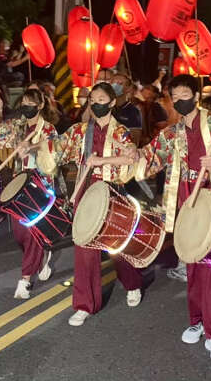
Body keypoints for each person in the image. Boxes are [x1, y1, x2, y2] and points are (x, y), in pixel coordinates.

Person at [131, 74, 211, 360]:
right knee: (193, 268)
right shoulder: (172, 133)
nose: (180, 100)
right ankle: (196, 321)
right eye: (176, 97)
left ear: (196, 96)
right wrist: (127, 156)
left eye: (185, 95)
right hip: (187, 206)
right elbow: (149, 157)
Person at [48, 82, 142, 326]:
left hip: (111, 192)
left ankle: (132, 283)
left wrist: (101, 160)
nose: (96, 104)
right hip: (86, 192)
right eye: (93, 100)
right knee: (84, 249)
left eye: (101, 100)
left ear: (112, 103)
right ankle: (84, 304)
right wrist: (35, 145)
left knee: (116, 247)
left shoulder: (120, 130)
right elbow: (56, 147)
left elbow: (132, 155)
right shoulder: (80, 131)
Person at [0, 88, 59, 299]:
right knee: (19, 233)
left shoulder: (48, 129)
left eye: (30, 103)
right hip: (19, 184)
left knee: (31, 230)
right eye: (23, 102)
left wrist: (33, 147)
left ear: (40, 105)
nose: (26, 106)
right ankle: (43, 252)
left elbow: (54, 148)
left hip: (40, 185)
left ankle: (25, 279)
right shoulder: (17, 126)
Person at [111, 73, 143, 145]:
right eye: (113, 83)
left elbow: (135, 139)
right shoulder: (106, 108)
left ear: (128, 88)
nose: (115, 86)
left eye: (120, 83)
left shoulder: (134, 112)